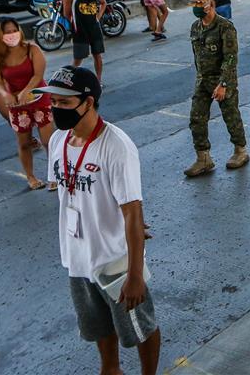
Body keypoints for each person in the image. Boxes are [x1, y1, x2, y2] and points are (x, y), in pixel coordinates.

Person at [34, 66, 161, 375]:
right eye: (53, 102)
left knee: (139, 326)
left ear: (88, 103)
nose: (55, 109)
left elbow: (132, 210)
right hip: (77, 257)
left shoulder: (116, 146)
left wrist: (134, 275)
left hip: (114, 259)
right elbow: (70, 194)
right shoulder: (58, 142)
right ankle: (110, 369)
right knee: (97, 325)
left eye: (64, 103)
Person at [184, 0, 249, 177]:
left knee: (231, 117)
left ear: (209, 4)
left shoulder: (225, 27)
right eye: (193, 2)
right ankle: (203, 158)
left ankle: (240, 151)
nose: (194, 6)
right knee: (196, 119)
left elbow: (230, 58)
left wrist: (224, 84)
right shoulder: (196, 27)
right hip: (203, 80)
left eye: (198, 2)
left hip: (222, 81)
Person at [0, 17, 55, 190]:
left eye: (14, 30)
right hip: (16, 104)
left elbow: (38, 75)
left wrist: (26, 91)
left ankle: (54, 175)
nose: (12, 35)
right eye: (7, 32)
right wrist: (5, 94)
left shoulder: (32, 49)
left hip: (39, 98)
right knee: (24, 142)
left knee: (48, 140)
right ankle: (31, 177)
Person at [63, 0, 106, 81]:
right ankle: (69, 80)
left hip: (94, 29)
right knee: (78, 58)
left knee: (97, 55)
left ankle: (98, 80)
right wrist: (75, 22)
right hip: (80, 31)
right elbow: (66, 14)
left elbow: (103, 3)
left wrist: (98, 16)